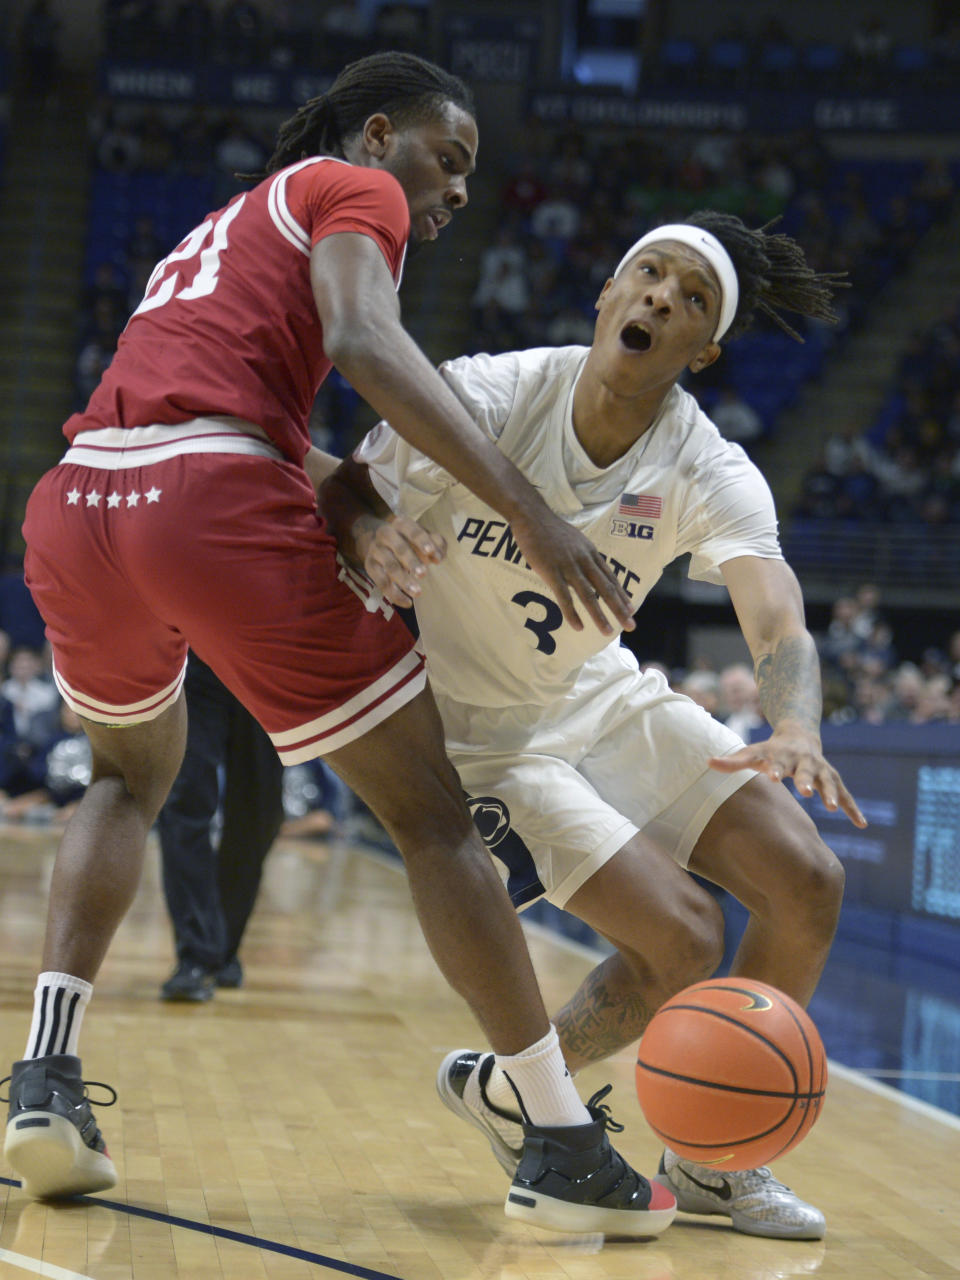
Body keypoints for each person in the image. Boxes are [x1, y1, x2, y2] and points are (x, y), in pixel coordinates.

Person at [3, 51, 669, 1240]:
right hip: (206, 506)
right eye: (447, 159)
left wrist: (344, 493)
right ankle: (561, 1137)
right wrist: (531, 507)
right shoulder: (355, 191)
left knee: (122, 776)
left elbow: (205, 407)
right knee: (433, 819)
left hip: (79, 505)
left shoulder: (221, 225)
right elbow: (364, 341)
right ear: (379, 136)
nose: (456, 191)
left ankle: (42, 1077)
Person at [321, 211, 865, 1240]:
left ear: (701, 349)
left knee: (808, 880)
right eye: (649, 275)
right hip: (487, 737)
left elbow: (774, 602)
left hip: (603, 693)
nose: (663, 296)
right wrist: (365, 530)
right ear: (609, 293)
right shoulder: (488, 390)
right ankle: (539, 1089)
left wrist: (796, 719)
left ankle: (709, 1162)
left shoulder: (705, 461)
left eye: (692, 296)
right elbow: (344, 485)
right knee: (685, 937)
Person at [156, 653, 284, 1002]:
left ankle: (223, 944)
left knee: (260, 813)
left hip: (266, 664)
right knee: (184, 802)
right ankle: (195, 956)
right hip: (194, 661)